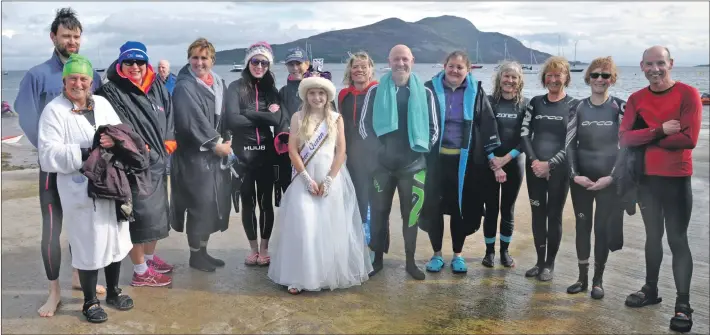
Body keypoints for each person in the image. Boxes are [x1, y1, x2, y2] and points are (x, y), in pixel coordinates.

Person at [13, 7, 105, 317]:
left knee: (83, 223)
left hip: (85, 167)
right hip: (54, 167)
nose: (72, 41)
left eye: (76, 36)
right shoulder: (38, 74)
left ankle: (79, 276)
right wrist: (50, 151)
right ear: (54, 37)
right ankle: (54, 292)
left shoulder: (90, 72)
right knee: (52, 229)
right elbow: (25, 115)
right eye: (66, 36)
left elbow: (101, 112)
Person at [37, 54, 134, 323]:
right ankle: (90, 302)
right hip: (79, 188)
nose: (78, 83)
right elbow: (47, 155)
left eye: (83, 78)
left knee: (115, 237)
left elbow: (120, 132)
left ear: (91, 81)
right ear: (64, 80)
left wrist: (115, 142)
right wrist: (85, 152)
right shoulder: (54, 110)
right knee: (87, 242)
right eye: (73, 78)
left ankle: (114, 291)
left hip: (111, 183)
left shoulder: (102, 103)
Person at [619, 46, 702, 333]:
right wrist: (659, 131)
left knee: (677, 240)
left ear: (671, 64)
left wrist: (645, 138)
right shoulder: (636, 98)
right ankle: (651, 290)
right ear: (641, 66)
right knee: (652, 237)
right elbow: (625, 139)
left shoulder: (688, 94)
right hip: (646, 181)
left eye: (660, 63)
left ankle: (683, 304)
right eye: (649, 64)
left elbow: (689, 138)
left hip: (677, 179)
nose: (655, 69)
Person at [268, 76, 373, 294]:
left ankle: (324, 275)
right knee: (304, 225)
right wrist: (306, 179)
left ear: (328, 97)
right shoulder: (298, 117)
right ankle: (298, 276)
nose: (317, 97)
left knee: (328, 228)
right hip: (303, 178)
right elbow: (293, 150)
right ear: (306, 95)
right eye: (313, 93)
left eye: (321, 93)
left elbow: (341, 151)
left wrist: (328, 180)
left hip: (330, 179)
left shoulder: (336, 119)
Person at [95, 41, 174, 287]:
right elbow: (116, 127)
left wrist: (170, 142)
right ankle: (140, 271)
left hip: (161, 162)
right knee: (138, 218)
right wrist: (141, 150)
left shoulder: (157, 85)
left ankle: (149, 259)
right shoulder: (111, 92)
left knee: (158, 216)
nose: (135, 67)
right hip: (133, 165)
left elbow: (168, 113)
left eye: (140, 61)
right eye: (129, 62)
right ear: (120, 64)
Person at [358, 44, 439, 280]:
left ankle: (411, 262)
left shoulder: (425, 93)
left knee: (411, 216)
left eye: (404, 59)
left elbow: (434, 129)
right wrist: (378, 152)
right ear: (389, 61)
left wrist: (419, 153)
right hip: (382, 167)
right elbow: (364, 127)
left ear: (412, 60)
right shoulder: (375, 92)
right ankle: (378, 259)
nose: (400, 63)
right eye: (396, 59)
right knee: (380, 215)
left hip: (413, 167)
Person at [420, 50, 500, 274]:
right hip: (435, 159)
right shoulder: (429, 89)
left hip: (465, 163)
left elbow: (487, 124)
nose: (455, 71)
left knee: (460, 209)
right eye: (451, 66)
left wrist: (493, 157)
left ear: (468, 69)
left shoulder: (475, 92)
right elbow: (417, 119)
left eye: (459, 67)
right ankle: (436, 255)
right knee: (433, 206)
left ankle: (457, 255)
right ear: (444, 66)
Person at [565, 56, 626, 299]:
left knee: (601, 229)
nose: (600, 79)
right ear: (588, 78)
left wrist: (611, 178)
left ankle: (598, 281)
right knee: (582, 227)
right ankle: (581, 278)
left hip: (607, 181)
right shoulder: (577, 107)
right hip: (580, 180)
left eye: (605, 75)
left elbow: (626, 148)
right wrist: (574, 175)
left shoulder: (619, 107)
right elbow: (569, 144)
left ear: (612, 79)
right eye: (595, 75)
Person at [170, 38, 233, 272]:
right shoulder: (184, 86)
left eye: (204, 58)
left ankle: (204, 252)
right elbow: (190, 121)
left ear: (212, 60)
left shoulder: (218, 83)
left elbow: (224, 117)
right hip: (193, 158)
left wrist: (228, 138)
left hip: (214, 157)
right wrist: (216, 145)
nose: (199, 62)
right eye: (195, 57)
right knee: (198, 206)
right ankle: (195, 256)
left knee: (212, 206)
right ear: (188, 59)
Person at [225, 41, 283, 266]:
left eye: (264, 63)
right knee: (248, 202)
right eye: (255, 61)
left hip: (266, 154)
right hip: (243, 155)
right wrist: (261, 114)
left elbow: (276, 119)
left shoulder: (271, 90)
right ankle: (252, 249)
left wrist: (247, 113)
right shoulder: (235, 87)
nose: (259, 66)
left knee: (266, 202)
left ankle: (264, 248)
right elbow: (232, 119)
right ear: (248, 62)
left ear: (269, 66)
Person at [520, 56, 577, 282]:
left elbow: (571, 142)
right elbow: (524, 134)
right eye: (550, 75)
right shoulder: (535, 102)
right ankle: (538, 261)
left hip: (558, 170)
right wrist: (535, 161)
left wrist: (550, 164)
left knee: (553, 216)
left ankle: (549, 265)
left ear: (566, 78)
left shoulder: (574, 105)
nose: (554, 79)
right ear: (544, 79)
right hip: (534, 168)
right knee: (537, 215)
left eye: (558, 75)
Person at [482, 61, 529, 268]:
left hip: (513, 162)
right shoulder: (488, 102)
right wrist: (494, 160)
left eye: (514, 77)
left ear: (520, 81)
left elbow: (526, 138)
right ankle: (489, 252)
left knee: (507, 208)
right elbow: (480, 133)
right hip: (490, 162)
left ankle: (504, 252)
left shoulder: (525, 105)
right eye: (506, 76)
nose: (509, 80)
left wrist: (505, 159)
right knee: (491, 208)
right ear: (499, 78)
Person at [337, 51, 379, 248]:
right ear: (350, 71)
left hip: (375, 155)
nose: (359, 70)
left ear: (371, 70)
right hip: (350, 154)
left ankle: (374, 246)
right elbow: (339, 124)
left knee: (376, 200)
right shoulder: (344, 95)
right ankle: (356, 242)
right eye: (355, 67)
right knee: (354, 197)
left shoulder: (379, 91)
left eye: (364, 66)